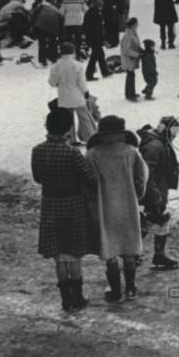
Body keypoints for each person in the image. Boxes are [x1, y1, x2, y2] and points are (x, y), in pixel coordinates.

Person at [31, 107, 98, 312]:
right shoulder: (72, 152)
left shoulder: (37, 150)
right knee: (73, 253)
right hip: (73, 205)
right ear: (67, 129)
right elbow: (92, 179)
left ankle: (65, 299)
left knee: (59, 254)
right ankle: (77, 297)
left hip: (50, 204)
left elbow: (37, 178)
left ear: (47, 126)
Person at [85, 115, 146, 302]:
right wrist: (138, 196)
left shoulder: (92, 154)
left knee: (109, 248)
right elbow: (141, 178)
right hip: (127, 205)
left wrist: (91, 202)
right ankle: (131, 288)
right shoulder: (131, 151)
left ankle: (115, 289)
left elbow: (88, 182)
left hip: (104, 206)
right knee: (129, 247)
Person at [137, 115, 179, 269]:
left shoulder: (160, 142)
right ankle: (145, 254)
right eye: (174, 134)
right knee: (155, 219)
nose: (175, 137)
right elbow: (146, 174)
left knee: (156, 220)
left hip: (156, 191)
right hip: (153, 193)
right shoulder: (156, 146)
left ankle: (143, 254)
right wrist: (155, 195)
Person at [48, 42, 93, 144]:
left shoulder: (55, 66)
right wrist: (86, 92)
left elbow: (52, 82)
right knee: (84, 118)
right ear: (72, 52)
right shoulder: (78, 65)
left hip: (63, 97)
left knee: (67, 119)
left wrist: (59, 83)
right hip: (77, 96)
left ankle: (70, 140)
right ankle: (89, 137)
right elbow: (82, 82)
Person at [83, 0, 110, 81]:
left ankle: (105, 71)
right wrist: (103, 39)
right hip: (96, 38)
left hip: (92, 38)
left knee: (100, 55)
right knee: (95, 57)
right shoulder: (96, 14)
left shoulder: (90, 12)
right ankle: (89, 74)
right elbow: (99, 29)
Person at [120, 18, 143, 101]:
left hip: (131, 59)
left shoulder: (132, 33)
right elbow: (126, 50)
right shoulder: (128, 36)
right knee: (130, 76)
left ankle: (130, 93)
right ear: (133, 25)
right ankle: (130, 94)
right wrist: (137, 54)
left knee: (131, 76)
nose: (137, 25)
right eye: (136, 24)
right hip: (128, 59)